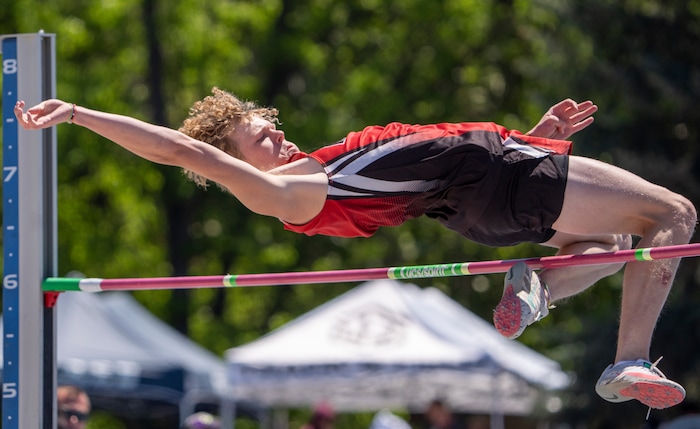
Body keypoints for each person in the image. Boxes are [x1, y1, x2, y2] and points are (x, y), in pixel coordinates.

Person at [14, 88, 696, 410]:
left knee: (608, 245)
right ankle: (628, 359)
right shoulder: (287, 192)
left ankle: (540, 289)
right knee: (673, 212)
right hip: (491, 173)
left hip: (483, 192)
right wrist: (79, 114)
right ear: (231, 161)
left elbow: (425, 166)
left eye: (272, 128)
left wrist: (531, 138)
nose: (278, 140)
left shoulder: (317, 178)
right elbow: (180, 148)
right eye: (259, 139)